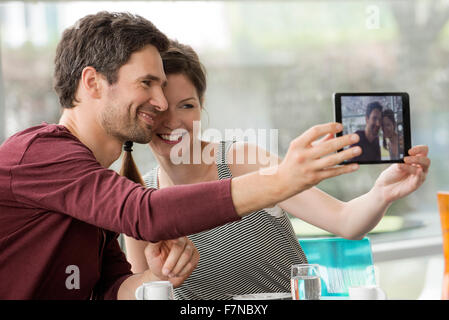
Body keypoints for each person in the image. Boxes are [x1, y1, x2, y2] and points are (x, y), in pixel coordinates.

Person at [0, 12, 364, 300]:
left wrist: (155, 276)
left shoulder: (97, 186)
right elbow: (148, 213)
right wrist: (283, 179)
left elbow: (111, 292)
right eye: (147, 83)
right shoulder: (38, 152)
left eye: (163, 87)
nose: (160, 103)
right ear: (93, 82)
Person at [123, 40, 431, 299]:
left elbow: (347, 221)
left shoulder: (241, 160)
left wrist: (382, 193)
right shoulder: (139, 199)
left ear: (201, 107)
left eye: (186, 105)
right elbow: (136, 290)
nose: (172, 121)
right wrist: (157, 275)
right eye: (159, 108)